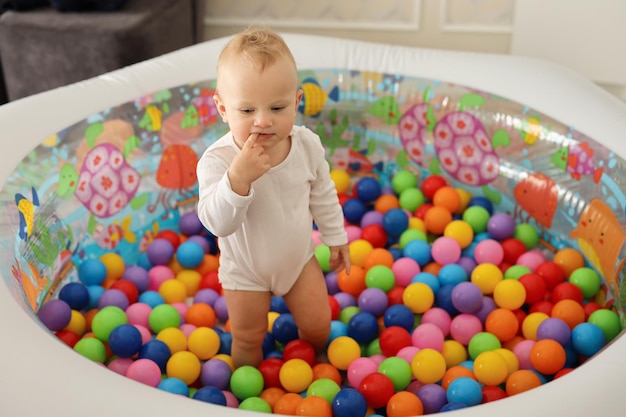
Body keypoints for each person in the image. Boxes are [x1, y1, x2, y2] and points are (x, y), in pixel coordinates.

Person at [196, 26, 351, 368]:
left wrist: (335, 236)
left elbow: (322, 192)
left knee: (318, 327)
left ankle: (323, 370)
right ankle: (241, 392)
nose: (263, 122)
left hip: (298, 261)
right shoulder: (218, 161)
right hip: (244, 271)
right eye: (247, 111)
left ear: (297, 101)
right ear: (223, 109)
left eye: (278, 108)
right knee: (248, 337)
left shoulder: (306, 145)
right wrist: (238, 179)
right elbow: (216, 223)